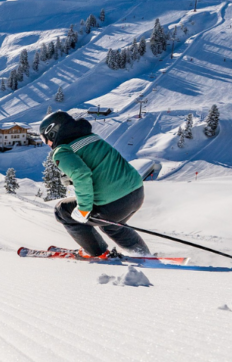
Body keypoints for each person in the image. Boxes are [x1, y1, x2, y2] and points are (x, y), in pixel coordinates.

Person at [39, 110, 150, 257]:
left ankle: (97, 252)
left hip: (112, 204)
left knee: (62, 211)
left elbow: (81, 174)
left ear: (52, 133)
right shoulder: (92, 138)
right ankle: (142, 253)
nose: (47, 144)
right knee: (112, 226)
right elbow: (101, 166)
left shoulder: (61, 151)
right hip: (136, 193)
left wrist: (84, 209)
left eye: (44, 139)